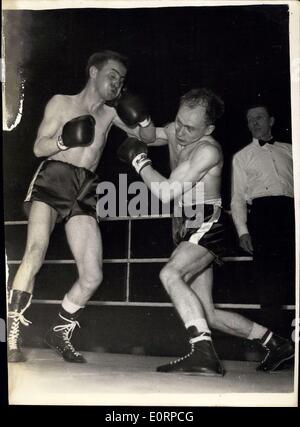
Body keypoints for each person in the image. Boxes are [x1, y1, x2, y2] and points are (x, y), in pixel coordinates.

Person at [117, 88, 294, 375]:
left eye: (191, 128)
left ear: (208, 128)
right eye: (179, 122)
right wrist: (136, 118)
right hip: (183, 223)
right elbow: (150, 137)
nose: (181, 132)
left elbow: (165, 192)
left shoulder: (208, 151)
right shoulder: (178, 128)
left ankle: (202, 353)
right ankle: (276, 343)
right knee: (205, 312)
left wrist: (140, 162)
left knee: (170, 274)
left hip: (206, 222)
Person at [7, 50, 156, 363]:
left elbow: (149, 137)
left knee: (92, 274)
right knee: (35, 252)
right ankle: (12, 335)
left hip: (85, 186)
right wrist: (64, 140)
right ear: (93, 72)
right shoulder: (61, 102)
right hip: (54, 176)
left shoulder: (113, 114)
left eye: (122, 79)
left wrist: (142, 117)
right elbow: (38, 147)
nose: (117, 83)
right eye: (112, 75)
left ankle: (59, 331)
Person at [231, 103, 295, 334]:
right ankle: (276, 345)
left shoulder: (290, 150)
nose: (255, 123)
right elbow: (237, 198)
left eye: (259, 117)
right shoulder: (242, 157)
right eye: (250, 120)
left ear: (271, 121)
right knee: (269, 284)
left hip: (291, 214)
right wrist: (242, 231)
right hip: (263, 217)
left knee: (294, 276)